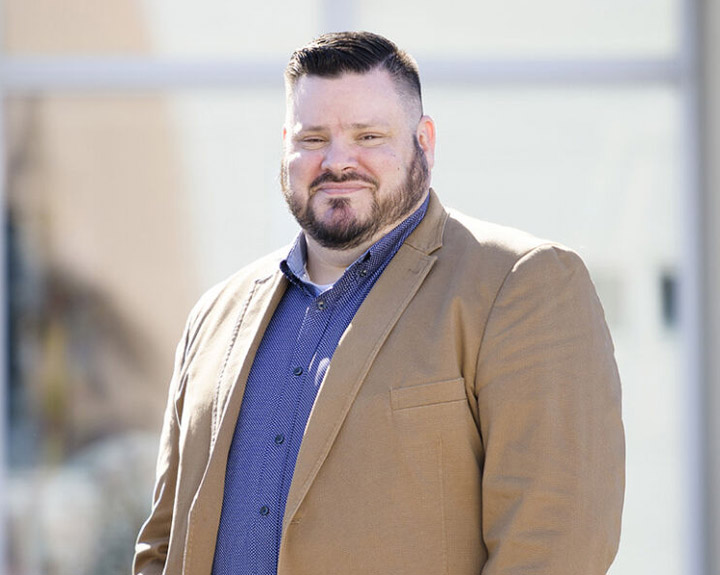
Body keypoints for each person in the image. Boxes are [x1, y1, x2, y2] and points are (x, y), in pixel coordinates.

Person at [133, 31, 625, 575]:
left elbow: (555, 545)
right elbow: (163, 543)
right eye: (313, 138)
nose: (338, 161)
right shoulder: (215, 315)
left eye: (368, 135)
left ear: (425, 142)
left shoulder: (520, 284)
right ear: (286, 146)